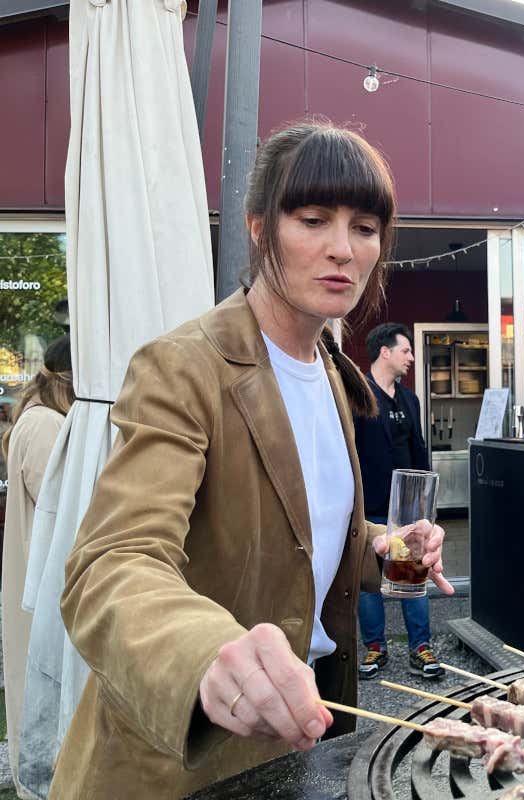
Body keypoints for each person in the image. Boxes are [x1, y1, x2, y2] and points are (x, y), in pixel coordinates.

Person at [51, 121, 451, 798]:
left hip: (303, 742)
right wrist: (204, 651)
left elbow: (310, 539)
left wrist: (386, 550)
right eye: (313, 219)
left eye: (364, 227)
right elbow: (110, 563)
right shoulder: (184, 368)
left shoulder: (331, 370)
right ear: (260, 227)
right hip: (179, 765)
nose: (342, 250)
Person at [1, 336, 73, 800]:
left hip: (41, 582)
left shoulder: (37, 419)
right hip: (43, 584)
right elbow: (71, 508)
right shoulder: (45, 426)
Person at [354, 322, 444, 680]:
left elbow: (418, 449)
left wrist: (427, 505)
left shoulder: (410, 399)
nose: (411, 357)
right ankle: (375, 647)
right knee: (369, 581)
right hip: (369, 504)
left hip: (409, 508)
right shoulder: (356, 394)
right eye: (406, 350)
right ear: (385, 352)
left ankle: (419, 648)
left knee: (413, 575)